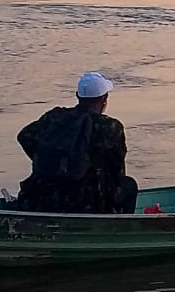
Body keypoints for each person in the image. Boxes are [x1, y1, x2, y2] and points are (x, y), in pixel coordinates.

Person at [16, 71, 139, 213]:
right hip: (89, 202)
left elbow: (24, 136)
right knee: (129, 184)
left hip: (45, 196)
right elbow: (117, 170)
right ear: (104, 98)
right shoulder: (111, 127)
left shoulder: (55, 117)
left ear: (77, 96)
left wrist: (45, 161)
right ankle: (118, 224)